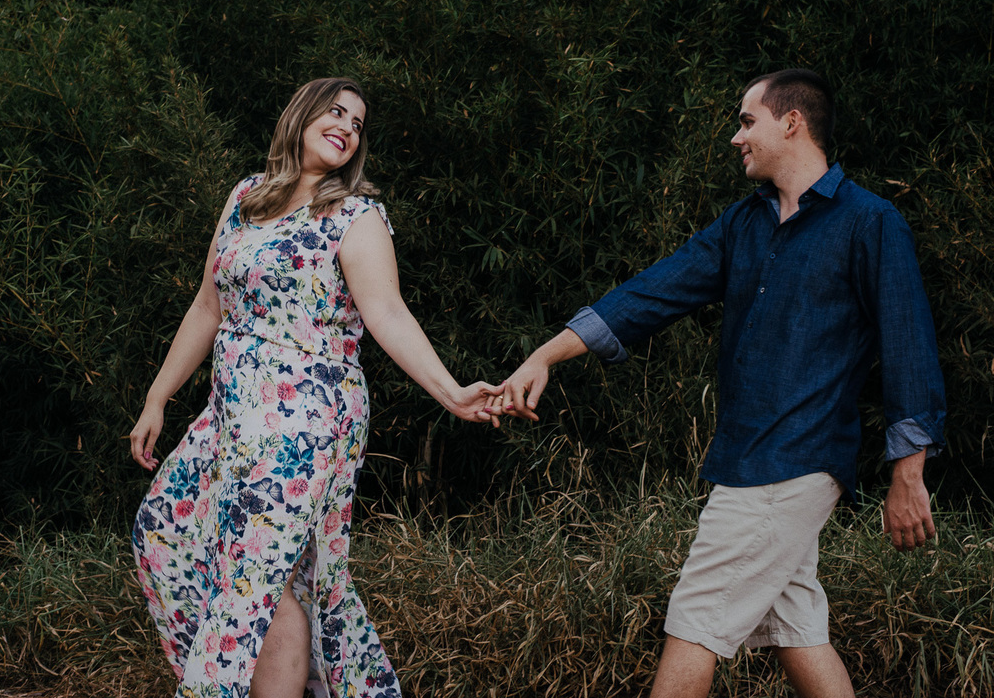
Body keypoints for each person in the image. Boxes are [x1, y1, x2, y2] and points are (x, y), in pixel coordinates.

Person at [489, 69, 945, 698]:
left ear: (792, 122)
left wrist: (908, 474)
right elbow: (653, 291)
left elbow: (908, 345)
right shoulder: (744, 223)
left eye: (747, 121)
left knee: (695, 619)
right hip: (746, 455)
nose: (736, 137)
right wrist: (546, 354)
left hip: (793, 460)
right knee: (796, 629)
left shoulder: (869, 222)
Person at [128, 78, 502, 698]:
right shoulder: (246, 196)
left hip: (303, 421)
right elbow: (207, 305)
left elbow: (387, 313)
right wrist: (157, 397)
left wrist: (451, 392)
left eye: (358, 123)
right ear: (301, 115)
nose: (348, 127)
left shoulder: (355, 215)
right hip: (231, 414)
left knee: (253, 576)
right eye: (337, 112)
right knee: (165, 532)